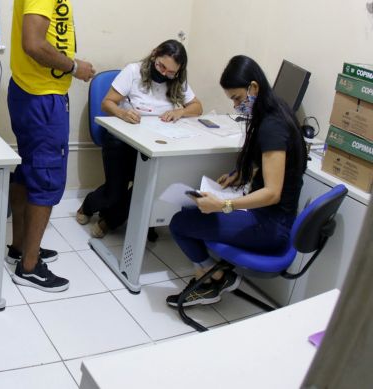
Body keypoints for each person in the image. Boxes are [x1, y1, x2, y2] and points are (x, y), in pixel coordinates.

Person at [165, 55, 307, 307]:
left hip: (272, 226)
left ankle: (213, 279)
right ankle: (214, 276)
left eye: (237, 99)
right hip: (272, 217)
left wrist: (224, 205)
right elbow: (265, 165)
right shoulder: (275, 110)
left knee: (179, 223)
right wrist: (238, 174)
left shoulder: (272, 126)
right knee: (192, 211)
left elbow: (273, 192)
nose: (236, 106)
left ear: (253, 88)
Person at [7, 0, 101, 292]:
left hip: (31, 91)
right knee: (45, 180)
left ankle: (19, 248)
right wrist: (74, 66)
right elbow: (33, 42)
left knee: (28, 172)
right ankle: (29, 267)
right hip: (42, 97)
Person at [76, 39, 203, 237]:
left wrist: (180, 112)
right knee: (115, 192)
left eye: (171, 72)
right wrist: (122, 113)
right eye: (161, 66)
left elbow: (197, 107)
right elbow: (107, 103)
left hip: (156, 142)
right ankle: (88, 206)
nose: (164, 74)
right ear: (154, 55)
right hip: (122, 140)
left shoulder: (177, 79)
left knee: (148, 187)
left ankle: (110, 220)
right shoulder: (133, 71)